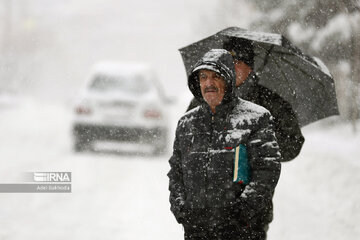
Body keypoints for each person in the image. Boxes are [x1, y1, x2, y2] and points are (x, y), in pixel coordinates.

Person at [168, 49, 281, 239]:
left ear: (228, 80)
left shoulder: (256, 119)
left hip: (243, 231)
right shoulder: (186, 123)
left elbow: (267, 172)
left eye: (215, 76)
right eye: (203, 77)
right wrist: (181, 209)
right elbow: (176, 172)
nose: (208, 83)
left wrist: (241, 212)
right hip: (197, 231)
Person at [187, 38, 305, 162]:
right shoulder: (203, 99)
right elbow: (185, 140)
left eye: (237, 62)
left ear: (249, 67)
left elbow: (293, 142)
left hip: (255, 179)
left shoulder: (269, 101)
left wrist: (258, 145)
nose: (230, 67)